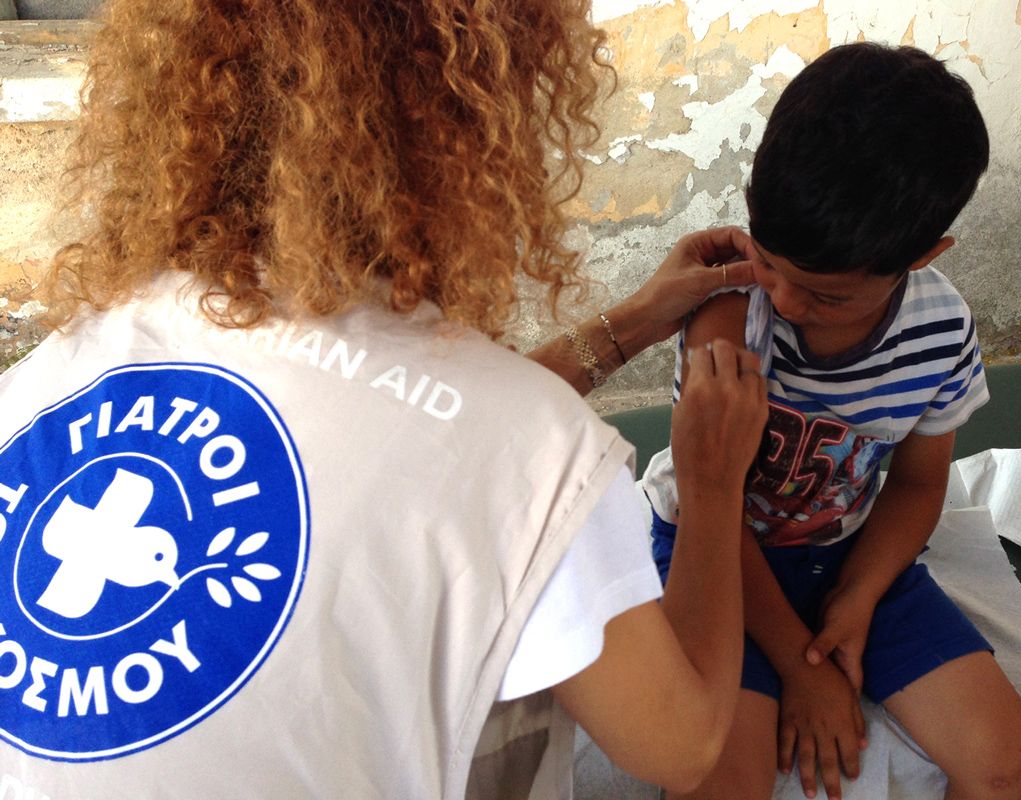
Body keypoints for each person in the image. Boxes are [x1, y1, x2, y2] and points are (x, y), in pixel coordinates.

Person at [0, 1, 768, 798]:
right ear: (475, 113)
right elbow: (683, 745)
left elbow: (416, 425)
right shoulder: (538, 455)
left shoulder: (67, 357)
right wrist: (711, 481)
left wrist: (632, 323)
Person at [640, 43, 1021, 800]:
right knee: (718, 780)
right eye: (769, 262)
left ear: (924, 254)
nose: (785, 302)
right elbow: (710, 503)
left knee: (1006, 765)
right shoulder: (727, 315)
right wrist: (803, 666)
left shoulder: (940, 330)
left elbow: (917, 485)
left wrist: (856, 599)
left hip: (845, 552)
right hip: (712, 545)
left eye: (826, 296)